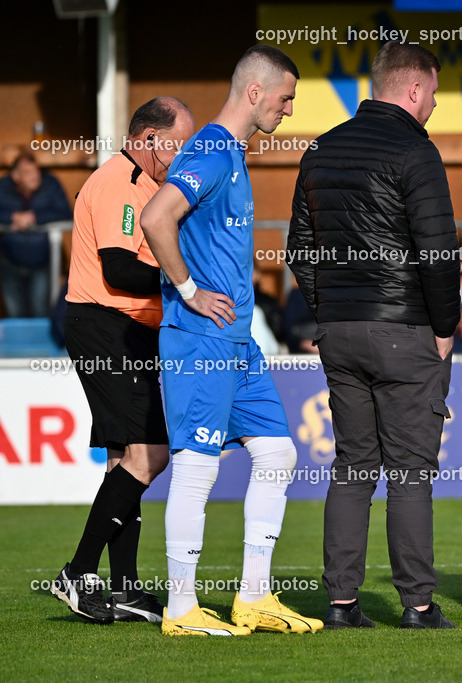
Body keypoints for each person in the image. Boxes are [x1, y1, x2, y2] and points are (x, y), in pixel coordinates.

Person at [140, 45, 322, 636]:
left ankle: (254, 596)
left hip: (236, 341)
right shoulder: (213, 150)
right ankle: (180, 608)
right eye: (285, 97)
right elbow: (155, 217)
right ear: (254, 93)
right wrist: (189, 289)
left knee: (277, 453)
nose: (288, 110)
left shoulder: (232, 153)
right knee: (196, 467)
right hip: (200, 338)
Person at [287, 40, 460, 630]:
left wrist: (328, 309)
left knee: (353, 467)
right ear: (413, 88)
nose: (434, 105)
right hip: (405, 330)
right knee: (410, 473)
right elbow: (439, 253)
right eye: (433, 93)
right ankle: (417, 604)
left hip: (339, 332)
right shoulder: (417, 151)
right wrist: (445, 329)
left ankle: (340, 603)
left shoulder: (321, 148)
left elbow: (298, 249)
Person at [50, 98, 195, 625]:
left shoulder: (146, 185)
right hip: (107, 327)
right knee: (151, 454)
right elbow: (117, 269)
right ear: (150, 137)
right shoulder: (121, 181)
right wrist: (186, 282)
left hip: (119, 330)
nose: (180, 155)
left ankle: (125, 588)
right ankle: (79, 570)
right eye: (177, 143)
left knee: (124, 460)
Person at [0, 152, 72, 317]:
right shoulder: (3, 186)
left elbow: (65, 212)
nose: (34, 176)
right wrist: (12, 217)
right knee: (14, 314)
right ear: (16, 176)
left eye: (36, 171)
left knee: (40, 312)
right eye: (28, 173)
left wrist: (35, 217)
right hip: (9, 263)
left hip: (41, 263)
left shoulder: (50, 184)